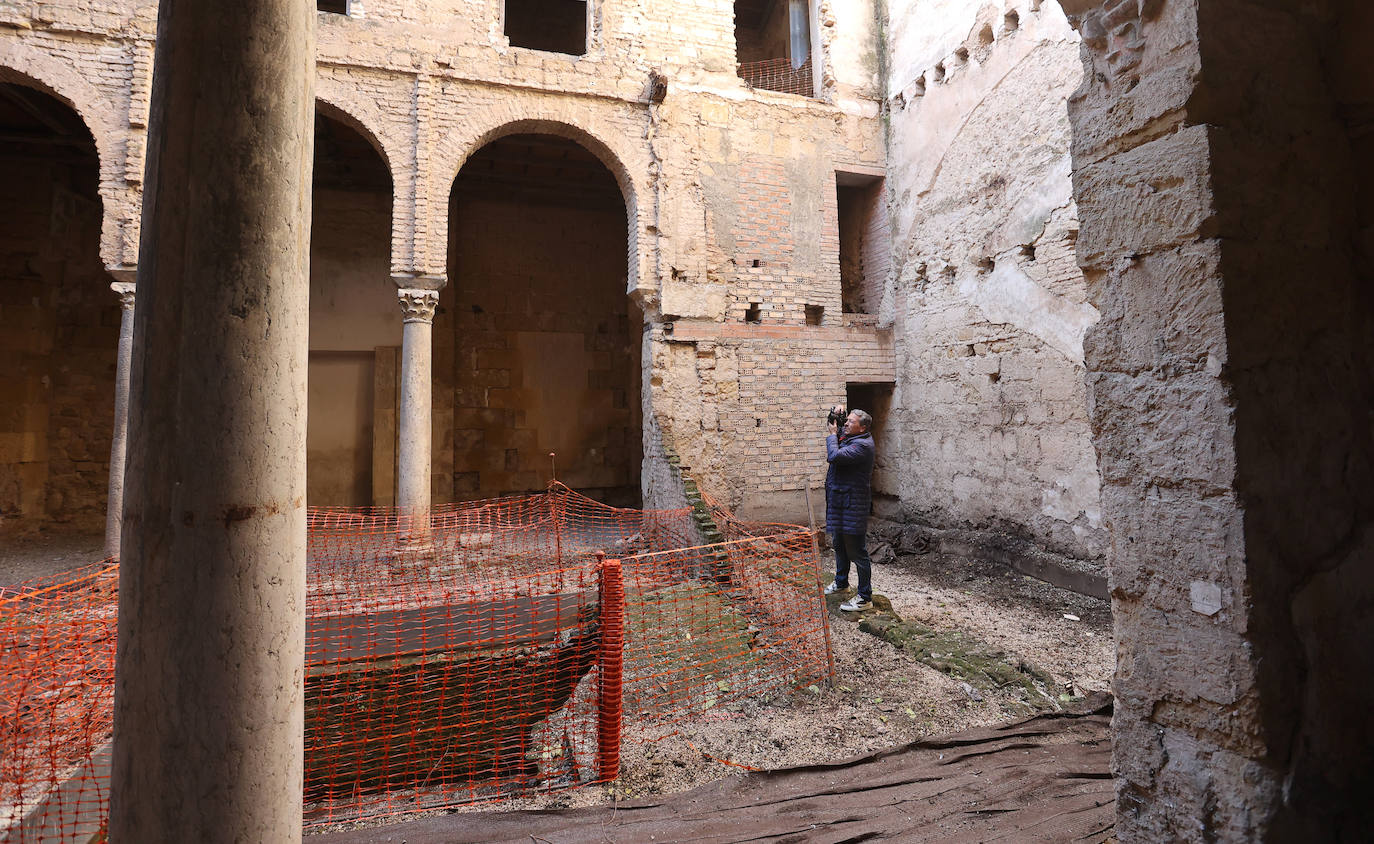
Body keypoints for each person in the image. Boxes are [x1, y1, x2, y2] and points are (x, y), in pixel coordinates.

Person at [824, 405, 875, 612]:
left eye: (850, 422)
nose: (846, 424)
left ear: (862, 428)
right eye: (846, 421)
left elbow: (834, 456)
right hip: (840, 503)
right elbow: (836, 427)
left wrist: (832, 435)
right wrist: (836, 414)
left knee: (857, 552)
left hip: (853, 504)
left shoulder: (863, 445)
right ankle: (841, 582)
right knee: (839, 545)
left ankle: (865, 597)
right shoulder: (851, 437)